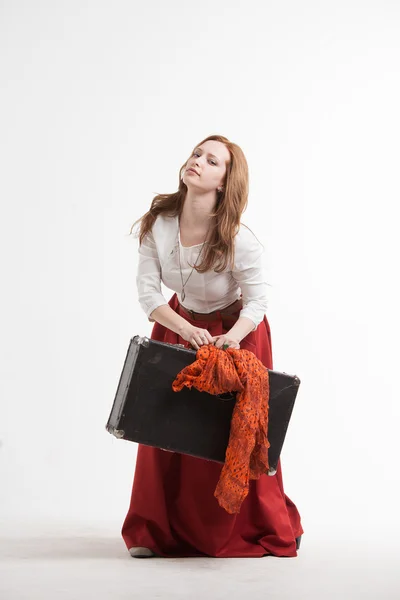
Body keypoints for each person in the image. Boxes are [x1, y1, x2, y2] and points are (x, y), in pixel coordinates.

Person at [121, 134, 304, 558]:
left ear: (225, 181)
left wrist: (231, 339)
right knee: (160, 422)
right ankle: (152, 529)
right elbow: (149, 296)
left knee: (245, 429)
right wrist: (185, 330)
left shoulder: (241, 238)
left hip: (237, 331)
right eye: (196, 154)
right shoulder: (159, 224)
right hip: (176, 324)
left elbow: (257, 301)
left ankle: (261, 525)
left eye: (212, 161)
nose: (197, 162)